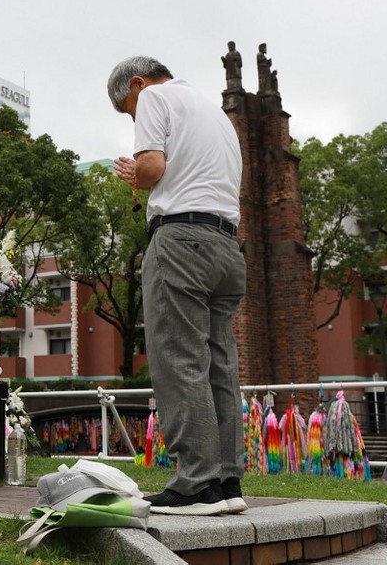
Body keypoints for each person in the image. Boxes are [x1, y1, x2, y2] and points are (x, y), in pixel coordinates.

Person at [107, 56, 247, 516]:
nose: (134, 115)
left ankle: (196, 485)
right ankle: (227, 483)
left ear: (137, 83)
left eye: (127, 109)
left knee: (178, 357)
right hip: (227, 246)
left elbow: (152, 167)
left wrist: (136, 173)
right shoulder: (215, 114)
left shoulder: (153, 96)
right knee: (219, 365)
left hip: (181, 240)